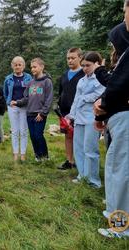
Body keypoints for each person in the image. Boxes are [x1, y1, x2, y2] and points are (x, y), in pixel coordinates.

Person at [94, 5, 129, 237]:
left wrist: (102, 107)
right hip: (120, 117)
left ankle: (120, 228)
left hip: (124, 118)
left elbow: (118, 86)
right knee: (117, 168)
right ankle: (113, 212)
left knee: (120, 171)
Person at [67, 52, 105, 188]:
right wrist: (71, 116)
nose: (85, 68)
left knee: (90, 149)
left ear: (97, 64)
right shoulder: (82, 80)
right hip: (79, 118)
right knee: (79, 148)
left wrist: (85, 98)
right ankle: (82, 175)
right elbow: (76, 98)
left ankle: (94, 181)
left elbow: (100, 93)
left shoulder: (100, 78)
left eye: (88, 65)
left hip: (92, 117)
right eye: (83, 65)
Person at [11, 58, 53, 161]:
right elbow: (26, 98)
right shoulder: (30, 83)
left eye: (35, 67)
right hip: (29, 113)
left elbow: (49, 99)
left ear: (42, 67)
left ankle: (45, 156)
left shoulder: (47, 82)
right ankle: (37, 156)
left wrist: (43, 113)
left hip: (40, 114)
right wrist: (17, 102)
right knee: (33, 136)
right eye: (31, 67)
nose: (32, 69)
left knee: (39, 135)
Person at [57, 48, 85, 170]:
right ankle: (69, 161)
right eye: (68, 58)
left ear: (80, 58)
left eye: (73, 58)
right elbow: (61, 91)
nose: (70, 60)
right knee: (68, 136)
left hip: (80, 111)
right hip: (65, 111)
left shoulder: (84, 74)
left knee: (80, 137)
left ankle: (81, 162)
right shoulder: (64, 75)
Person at [3, 56, 32, 161]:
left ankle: (23, 154)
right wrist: (8, 102)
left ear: (23, 66)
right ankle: (15, 153)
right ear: (12, 66)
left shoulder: (29, 78)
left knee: (23, 131)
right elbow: (5, 92)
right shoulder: (8, 78)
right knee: (15, 131)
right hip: (13, 107)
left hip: (24, 106)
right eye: (15, 64)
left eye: (20, 64)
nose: (17, 66)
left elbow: (32, 91)